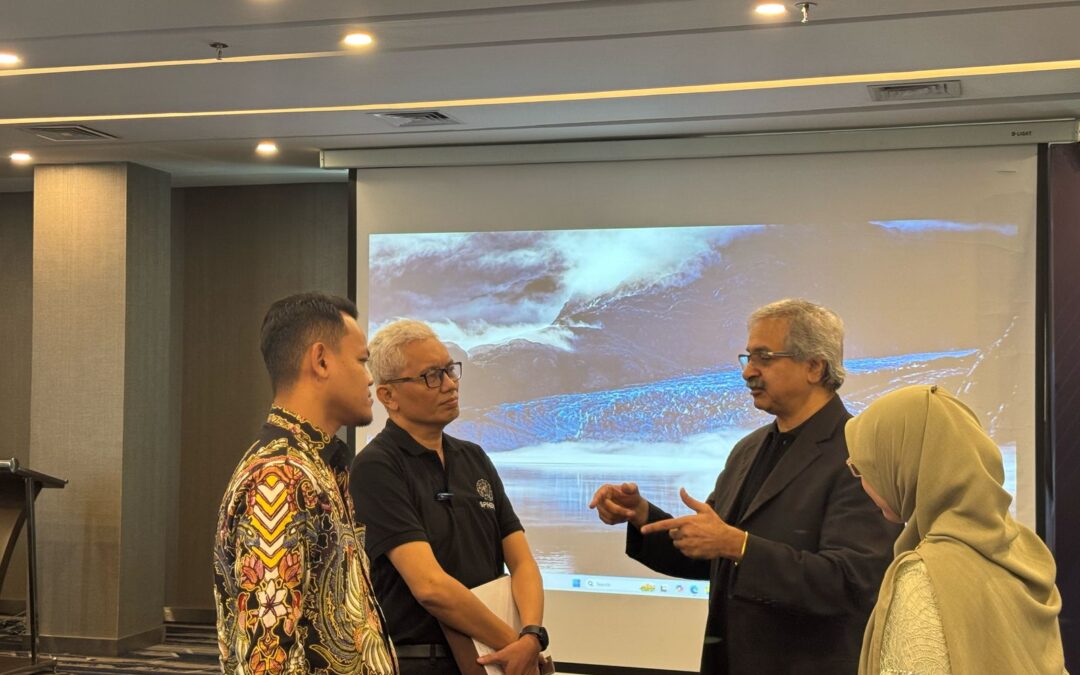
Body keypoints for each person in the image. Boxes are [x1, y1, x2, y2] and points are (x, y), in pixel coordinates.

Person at [589, 298, 899, 674]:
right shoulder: (748, 450)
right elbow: (708, 552)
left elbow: (851, 582)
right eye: (747, 357)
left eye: (764, 358)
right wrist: (640, 515)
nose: (748, 372)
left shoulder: (858, 453)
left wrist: (740, 547)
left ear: (814, 366)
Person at [213, 292, 397, 675]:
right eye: (362, 360)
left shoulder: (316, 465)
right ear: (321, 359)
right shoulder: (279, 476)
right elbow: (268, 659)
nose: (369, 377)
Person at [351, 320, 546, 675]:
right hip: (422, 661)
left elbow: (522, 562)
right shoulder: (376, 467)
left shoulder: (474, 458)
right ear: (388, 396)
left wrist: (531, 635)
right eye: (431, 375)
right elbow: (430, 587)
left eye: (449, 370)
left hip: (498, 656)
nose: (449, 384)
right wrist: (514, 644)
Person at [845, 384, 1066, 674]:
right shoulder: (1024, 550)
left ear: (903, 465)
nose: (862, 482)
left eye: (864, 468)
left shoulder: (923, 577)